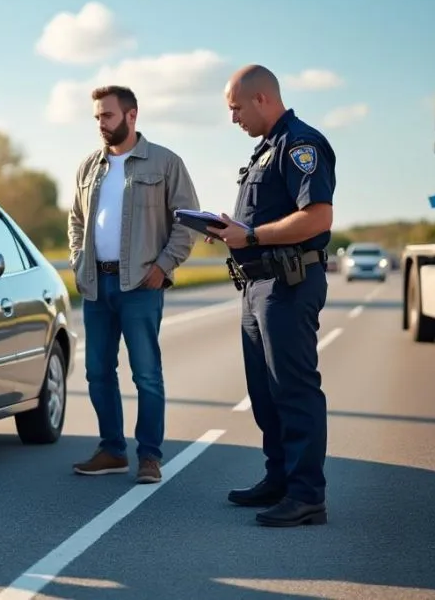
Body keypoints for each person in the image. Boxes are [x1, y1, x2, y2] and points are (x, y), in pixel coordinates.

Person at [206, 64, 336, 527]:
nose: (233, 118)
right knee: (265, 393)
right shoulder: (266, 149)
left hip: (288, 284)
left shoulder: (300, 144)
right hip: (257, 286)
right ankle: (279, 478)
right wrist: (232, 232)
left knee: (293, 391)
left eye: (236, 108)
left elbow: (318, 217)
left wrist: (253, 237)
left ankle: (307, 497)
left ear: (262, 98)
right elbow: (259, 224)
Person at [67, 85, 201, 483]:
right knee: (97, 372)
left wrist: (164, 265)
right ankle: (111, 450)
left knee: (146, 374)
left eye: (107, 115)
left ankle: (149, 456)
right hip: (96, 287)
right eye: (96, 117)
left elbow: (189, 220)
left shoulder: (164, 162)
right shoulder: (89, 167)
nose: (101, 124)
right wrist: (77, 262)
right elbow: (75, 220)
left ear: (131, 115)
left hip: (141, 285)